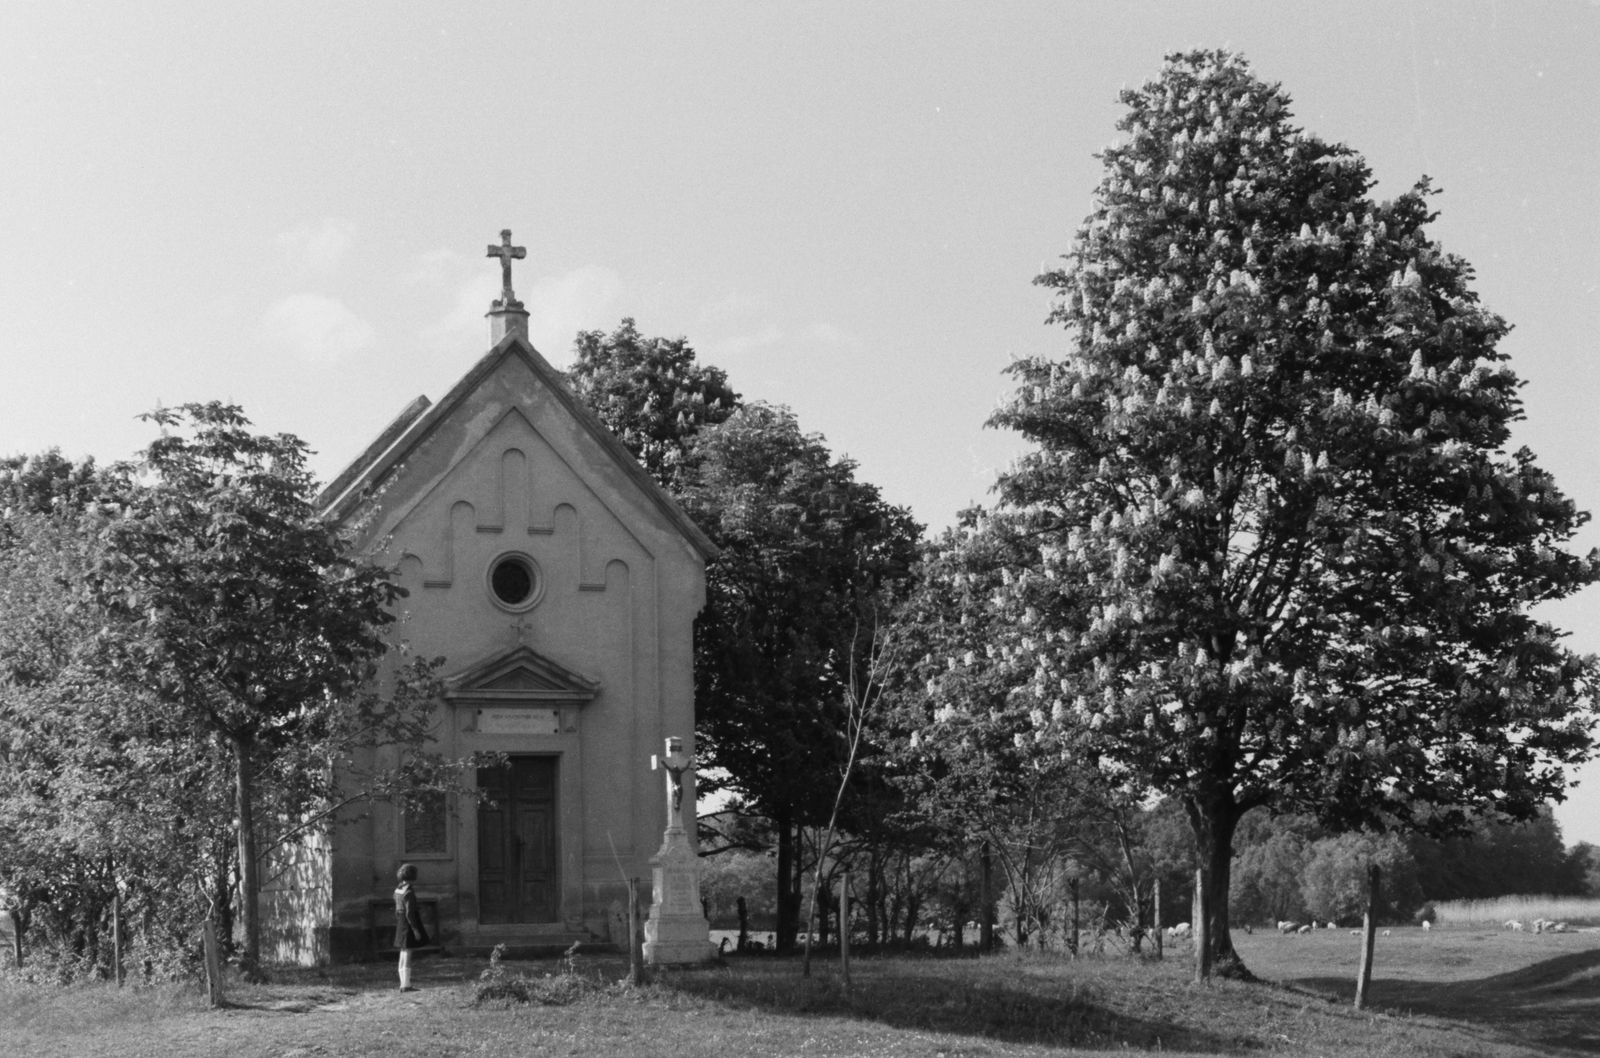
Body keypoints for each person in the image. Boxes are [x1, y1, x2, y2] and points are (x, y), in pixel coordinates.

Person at [394, 863, 429, 991]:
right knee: (408, 952)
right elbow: (409, 912)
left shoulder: (398, 889)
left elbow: (398, 910)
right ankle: (406, 985)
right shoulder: (409, 891)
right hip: (410, 921)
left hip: (401, 921)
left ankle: (402, 985)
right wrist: (415, 929)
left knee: (403, 951)